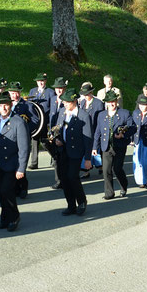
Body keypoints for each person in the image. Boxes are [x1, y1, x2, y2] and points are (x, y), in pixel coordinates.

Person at [0, 92, 30, 232]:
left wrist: (21, 169)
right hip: (1, 163)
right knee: (1, 192)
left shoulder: (18, 122)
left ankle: (14, 217)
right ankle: (5, 219)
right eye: (0, 105)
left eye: (6, 105)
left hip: (13, 163)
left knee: (8, 191)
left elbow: (24, 148)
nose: (3, 108)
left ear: (11, 105)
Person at [54, 88, 92, 216]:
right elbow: (58, 130)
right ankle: (71, 205)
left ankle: (81, 201)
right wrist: (57, 140)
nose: (64, 104)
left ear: (75, 101)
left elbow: (88, 138)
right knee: (64, 179)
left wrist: (87, 158)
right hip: (63, 150)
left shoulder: (83, 115)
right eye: (63, 102)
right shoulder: (62, 113)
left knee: (72, 176)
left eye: (67, 102)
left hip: (76, 151)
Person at [92, 90, 136, 199]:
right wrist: (94, 147)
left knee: (117, 169)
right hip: (106, 147)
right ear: (106, 103)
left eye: (113, 101)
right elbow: (97, 131)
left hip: (119, 146)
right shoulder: (101, 115)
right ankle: (109, 193)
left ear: (116, 101)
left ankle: (123, 185)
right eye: (109, 102)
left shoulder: (124, 113)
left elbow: (133, 128)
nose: (111, 104)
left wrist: (123, 135)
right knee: (106, 170)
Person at [8, 81, 39, 199]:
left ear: (20, 93)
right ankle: (15, 187)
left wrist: (24, 130)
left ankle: (23, 186)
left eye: (17, 93)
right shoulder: (7, 105)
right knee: (12, 163)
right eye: (12, 93)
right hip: (10, 139)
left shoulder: (27, 105)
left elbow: (35, 121)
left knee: (20, 163)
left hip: (21, 139)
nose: (14, 95)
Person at [28, 73, 55, 170]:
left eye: (42, 81)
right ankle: (34, 163)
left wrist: (50, 123)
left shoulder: (50, 92)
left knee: (45, 142)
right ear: (36, 82)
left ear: (45, 81)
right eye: (39, 81)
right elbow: (29, 105)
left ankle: (54, 157)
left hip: (45, 120)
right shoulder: (32, 91)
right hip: (35, 121)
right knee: (34, 141)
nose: (41, 83)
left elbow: (52, 108)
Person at [78, 82, 104, 178]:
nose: (86, 96)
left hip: (95, 129)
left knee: (96, 149)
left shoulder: (98, 103)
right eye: (84, 94)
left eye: (87, 93)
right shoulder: (83, 102)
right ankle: (86, 170)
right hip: (85, 129)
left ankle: (100, 167)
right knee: (85, 149)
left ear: (91, 92)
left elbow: (100, 119)